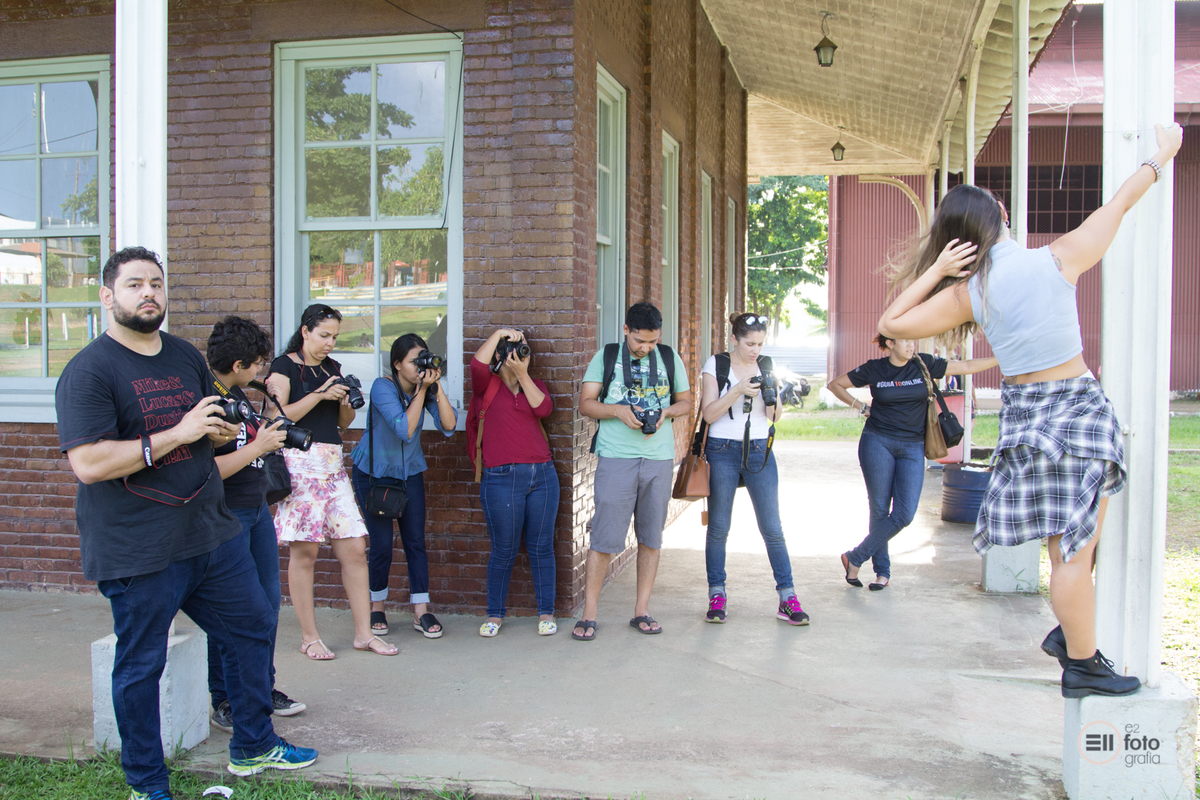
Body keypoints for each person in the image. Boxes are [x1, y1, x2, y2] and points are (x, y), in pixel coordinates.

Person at [876, 122, 1183, 698]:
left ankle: (1072, 633)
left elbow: (891, 323)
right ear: (1001, 218)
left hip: (1026, 419)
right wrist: (1161, 156)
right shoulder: (1055, 259)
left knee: (1068, 544)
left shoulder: (969, 293)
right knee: (1075, 549)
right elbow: (1119, 203)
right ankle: (1082, 666)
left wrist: (939, 271)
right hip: (1076, 410)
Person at [56, 247, 317, 800]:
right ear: (107, 296)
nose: (148, 292)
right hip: (139, 547)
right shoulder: (89, 371)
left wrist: (217, 433)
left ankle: (253, 744)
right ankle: (147, 784)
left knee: (253, 626)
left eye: (155, 283)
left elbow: (208, 423)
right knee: (141, 666)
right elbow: (90, 463)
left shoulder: (181, 355)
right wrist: (179, 433)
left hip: (209, 531)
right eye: (134, 284)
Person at [266, 304, 397, 659]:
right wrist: (319, 394)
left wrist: (344, 399)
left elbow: (343, 422)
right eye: (324, 335)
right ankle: (309, 637)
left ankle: (364, 634)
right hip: (299, 464)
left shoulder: (332, 368)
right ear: (305, 331)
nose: (330, 343)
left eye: (335, 337)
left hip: (332, 464)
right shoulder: (283, 366)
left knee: (354, 548)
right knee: (305, 552)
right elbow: (276, 416)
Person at [827, 335, 997, 589]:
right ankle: (882, 572)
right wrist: (861, 407)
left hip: (913, 445)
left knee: (904, 513)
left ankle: (855, 557)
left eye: (912, 341)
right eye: (904, 341)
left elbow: (966, 366)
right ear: (890, 344)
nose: (911, 345)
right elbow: (835, 385)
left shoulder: (923, 364)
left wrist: (1000, 358)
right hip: (877, 441)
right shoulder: (875, 368)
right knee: (879, 509)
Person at [204, 316, 305, 733]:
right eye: (258, 363)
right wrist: (259, 446)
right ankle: (226, 698)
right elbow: (205, 472)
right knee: (232, 612)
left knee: (265, 607)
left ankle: (261, 687)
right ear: (239, 364)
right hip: (227, 516)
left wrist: (268, 425)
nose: (262, 369)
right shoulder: (207, 400)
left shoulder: (238, 394)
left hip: (257, 510)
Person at [575, 302, 693, 640]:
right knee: (604, 538)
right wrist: (617, 411)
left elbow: (686, 402)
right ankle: (589, 614)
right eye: (640, 341)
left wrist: (666, 412)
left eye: (653, 341)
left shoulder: (669, 357)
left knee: (651, 538)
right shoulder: (607, 356)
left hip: (658, 458)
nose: (646, 348)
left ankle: (642, 610)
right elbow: (586, 404)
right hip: (616, 457)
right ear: (626, 330)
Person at [698, 312, 808, 625]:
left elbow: (775, 417)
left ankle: (788, 597)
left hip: (760, 449)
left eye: (760, 344)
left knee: (772, 527)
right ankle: (717, 595)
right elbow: (708, 415)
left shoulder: (766, 364)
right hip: (722, 450)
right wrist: (737, 391)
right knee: (719, 527)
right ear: (734, 339)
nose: (755, 350)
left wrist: (772, 393)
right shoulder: (716, 365)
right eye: (749, 344)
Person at [349, 333, 457, 639]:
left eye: (423, 360)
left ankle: (421, 610)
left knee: (415, 541)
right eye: (413, 362)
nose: (419, 367)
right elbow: (405, 429)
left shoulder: (425, 388)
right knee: (382, 544)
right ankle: (377, 606)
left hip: (409, 473)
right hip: (374, 474)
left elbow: (449, 425)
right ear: (397, 364)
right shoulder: (382, 387)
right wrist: (422, 391)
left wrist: (437, 387)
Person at [469, 329, 558, 637]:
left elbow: (544, 409)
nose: (520, 354)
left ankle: (546, 613)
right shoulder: (486, 385)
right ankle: (494, 615)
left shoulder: (535, 384)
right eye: (511, 349)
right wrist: (499, 334)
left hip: (542, 475)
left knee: (541, 547)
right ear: (499, 354)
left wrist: (522, 374)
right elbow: (477, 365)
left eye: (523, 349)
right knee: (504, 550)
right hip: (501, 479)